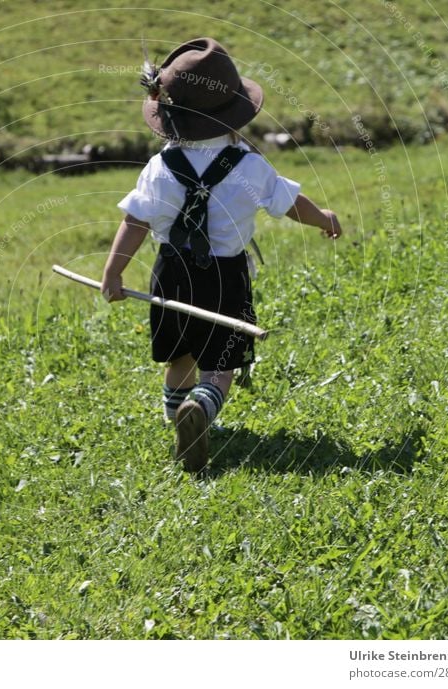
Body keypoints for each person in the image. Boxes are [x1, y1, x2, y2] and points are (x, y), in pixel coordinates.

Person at [100, 37, 342, 473]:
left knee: (180, 357)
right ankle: (202, 407)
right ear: (235, 115)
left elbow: (134, 222)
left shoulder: (158, 167)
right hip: (224, 278)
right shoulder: (250, 165)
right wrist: (324, 218)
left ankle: (178, 419)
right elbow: (289, 204)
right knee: (220, 366)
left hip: (170, 274)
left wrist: (113, 272)